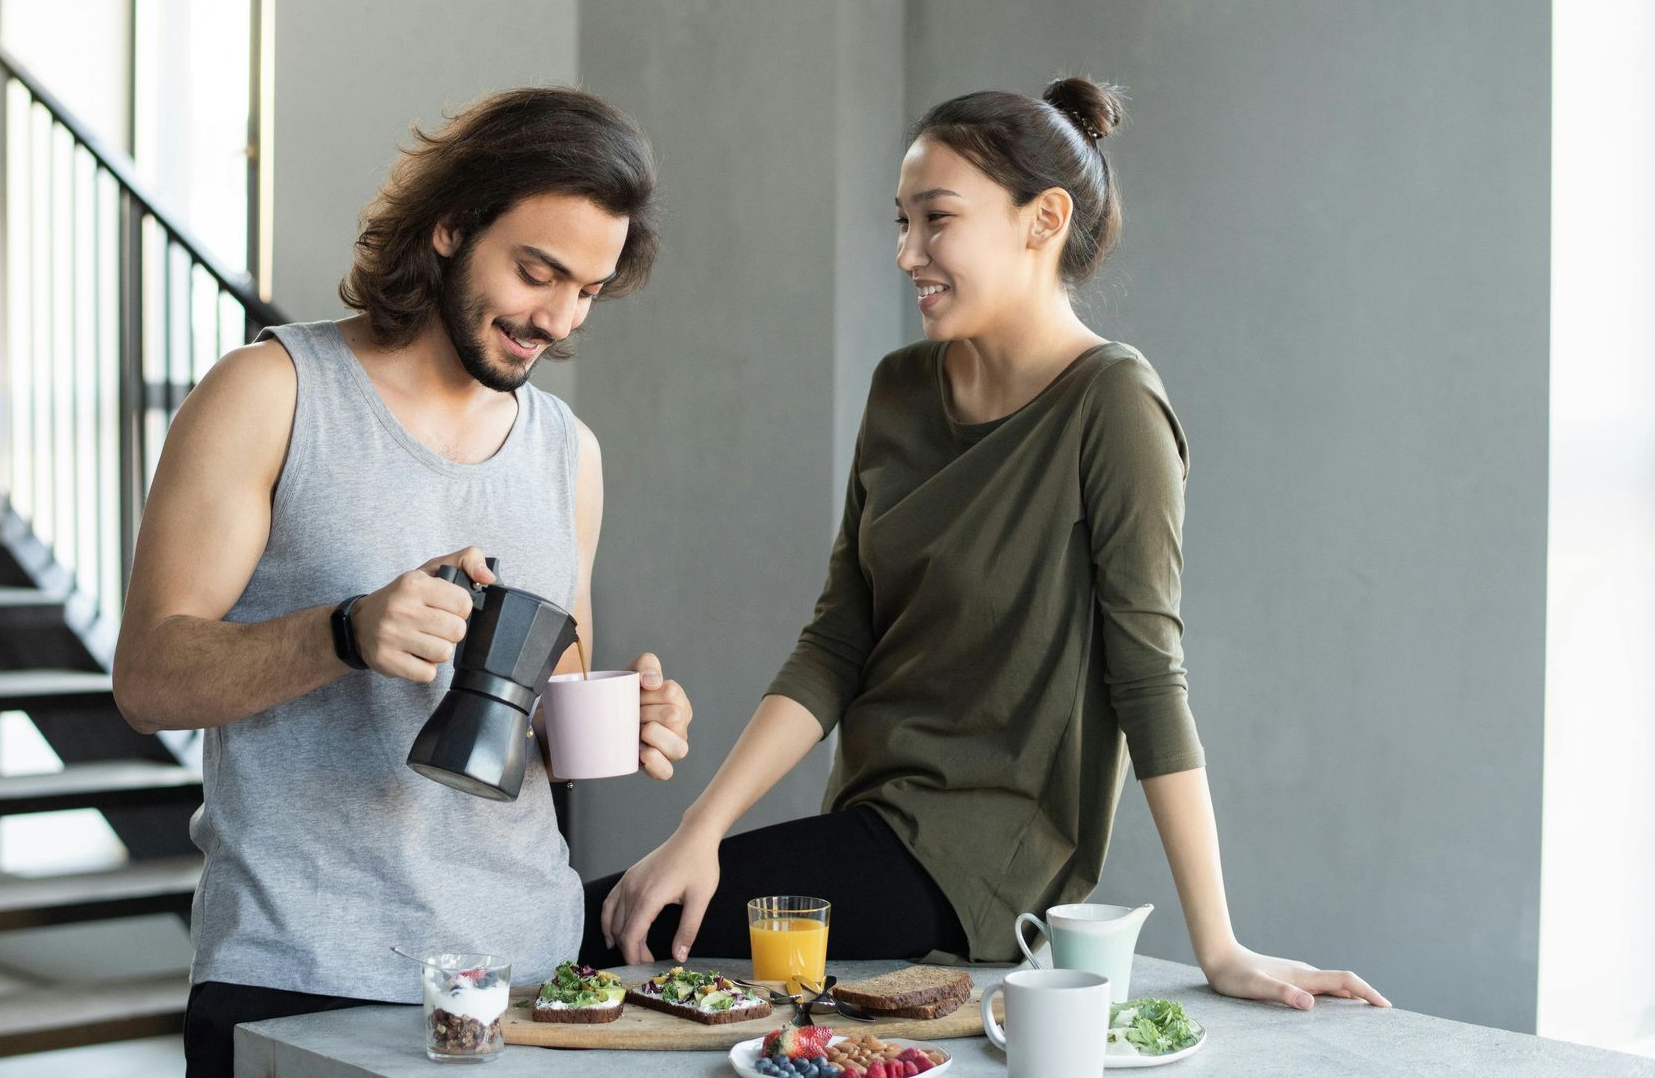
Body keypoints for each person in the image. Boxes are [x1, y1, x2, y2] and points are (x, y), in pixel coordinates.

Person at [581, 81, 1388, 1013]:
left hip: (977, 875)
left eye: (936, 220)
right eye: (901, 221)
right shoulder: (899, 391)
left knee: (598, 924)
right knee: (624, 922)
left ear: (1044, 219)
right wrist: (701, 830)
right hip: (870, 834)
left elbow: (1149, 677)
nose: (905, 253)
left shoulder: (1112, 406)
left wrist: (1219, 943)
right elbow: (836, 643)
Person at [110, 87, 696, 1078]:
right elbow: (149, 678)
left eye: (587, 291)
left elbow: (551, 709)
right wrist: (342, 633)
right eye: (537, 272)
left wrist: (625, 716)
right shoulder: (272, 393)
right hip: (303, 974)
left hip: (532, 978)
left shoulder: (569, 453)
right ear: (451, 225)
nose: (556, 318)